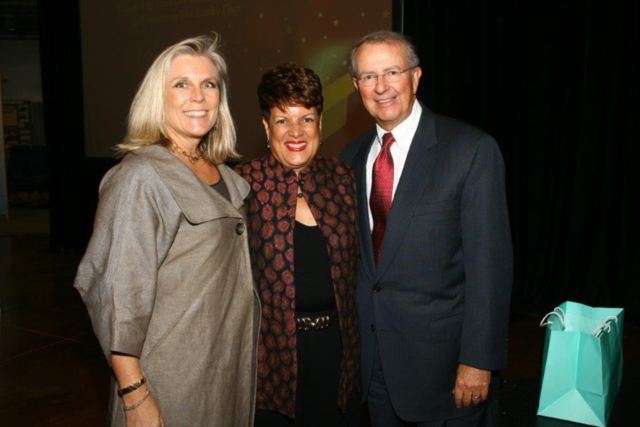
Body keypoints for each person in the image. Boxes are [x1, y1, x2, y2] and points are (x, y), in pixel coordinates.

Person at [73, 35, 260, 427]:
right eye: (181, 84)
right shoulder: (140, 176)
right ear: (158, 97)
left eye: (209, 84)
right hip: (171, 381)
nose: (198, 96)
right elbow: (117, 297)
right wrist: (135, 395)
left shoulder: (224, 175)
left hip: (225, 373)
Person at [340, 30, 513, 427]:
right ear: (356, 85)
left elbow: (490, 267)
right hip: (375, 371)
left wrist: (478, 360)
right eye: (368, 76)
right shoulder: (350, 157)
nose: (381, 87)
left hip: (447, 375)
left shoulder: (470, 150)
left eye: (392, 72)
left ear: (415, 77)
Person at [235, 62, 361, 427]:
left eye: (306, 119)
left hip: (339, 355)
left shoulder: (343, 178)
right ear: (266, 127)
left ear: (320, 123)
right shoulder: (242, 185)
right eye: (282, 120)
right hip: (271, 361)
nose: (295, 132)